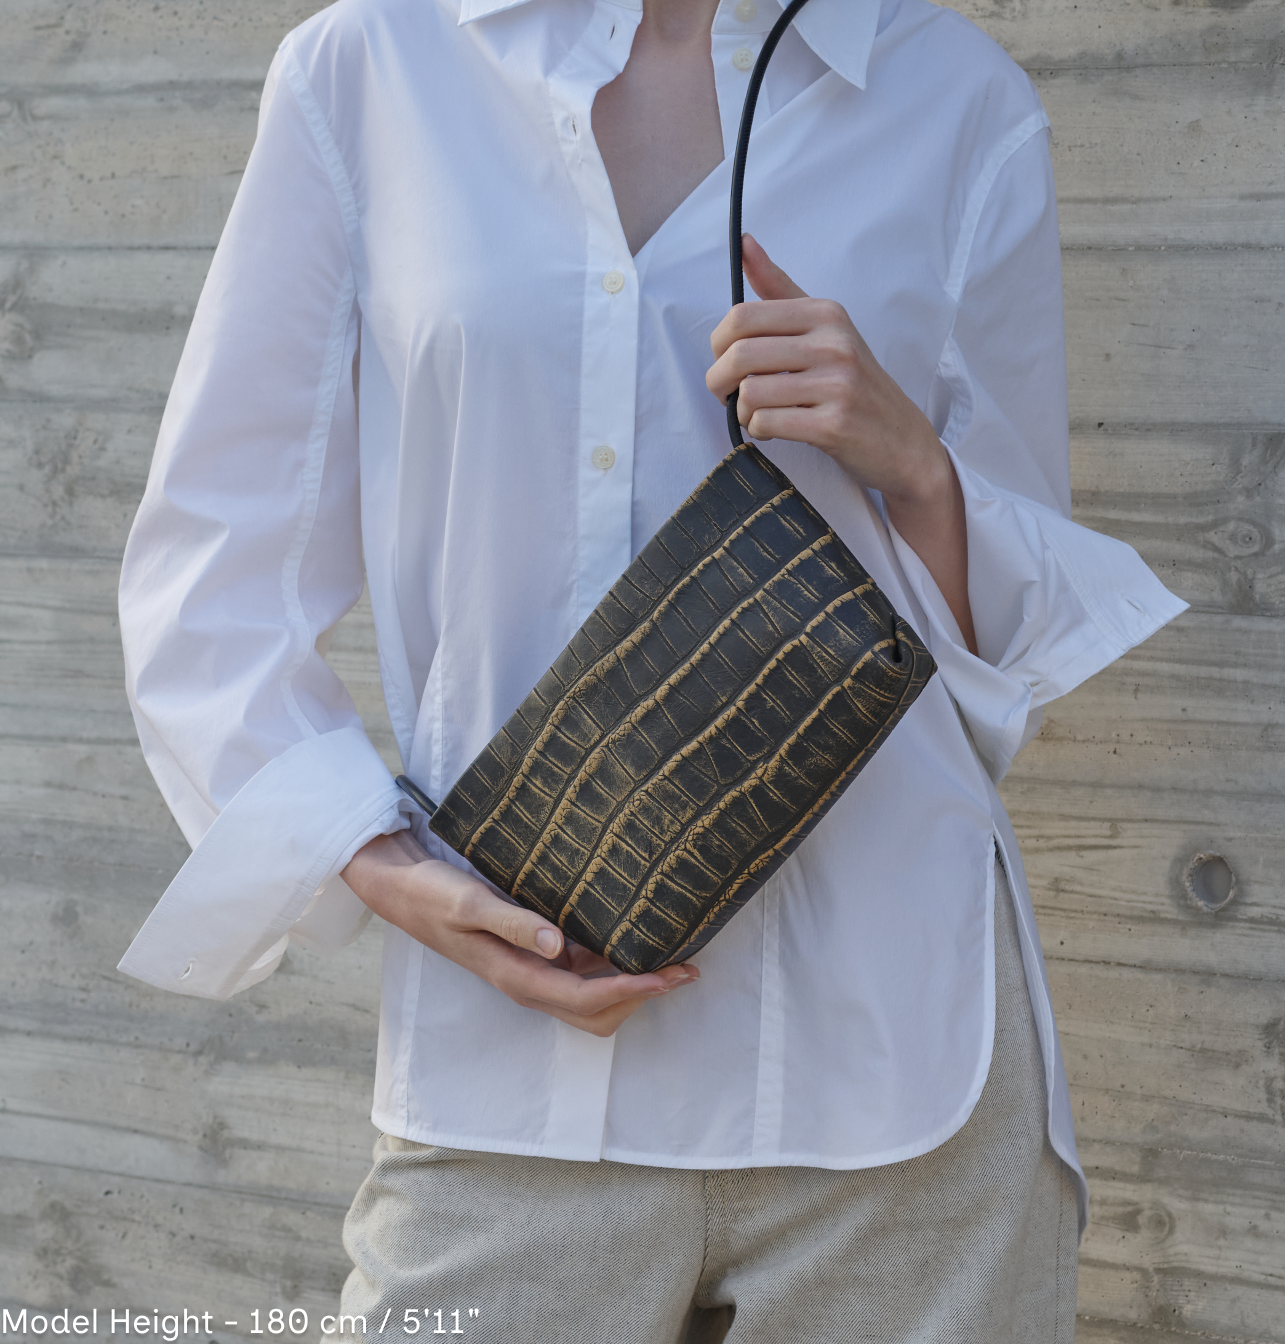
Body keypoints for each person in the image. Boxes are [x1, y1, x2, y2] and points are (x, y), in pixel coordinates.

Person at [116, 0, 1186, 1338]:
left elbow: (1005, 645)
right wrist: (382, 867)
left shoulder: (958, 97)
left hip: (901, 1080)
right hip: (511, 1077)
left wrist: (915, 466)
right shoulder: (371, 68)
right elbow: (214, 578)